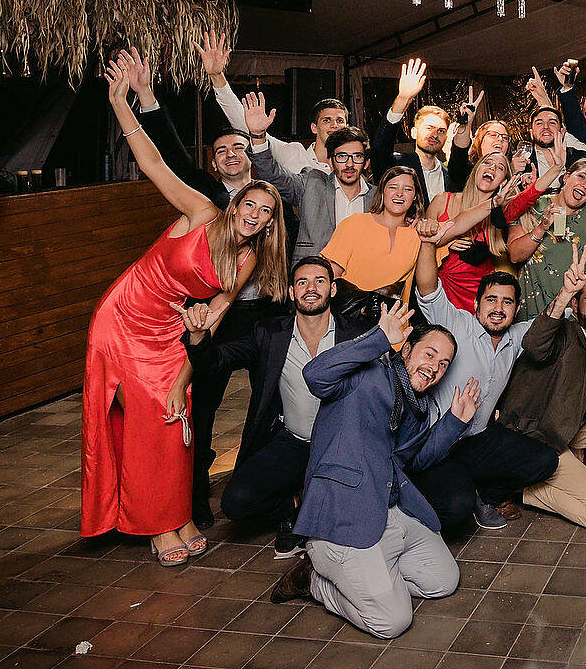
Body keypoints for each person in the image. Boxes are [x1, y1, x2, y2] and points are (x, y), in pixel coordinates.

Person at [83, 52, 286, 567]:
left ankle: (177, 514)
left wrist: (194, 341)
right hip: (126, 314)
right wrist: (119, 102)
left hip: (170, 329)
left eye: (266, 213)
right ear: (235, 205)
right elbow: (152, 161)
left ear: (267, 225)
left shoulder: (246, 259)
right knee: (147, 419)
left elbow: (214, 313)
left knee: (178, 414)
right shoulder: (200, 211)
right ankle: (156, 525)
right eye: (250, 206)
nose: (255, 216)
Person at [269, 303, 479, 640]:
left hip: (391, 512)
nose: (434, 368)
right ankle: (313, 580)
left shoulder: (416, 409)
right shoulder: (364, 373)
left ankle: (370, 576)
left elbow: (414, 460)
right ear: (406, 348)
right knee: (392, 622)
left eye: (443, 365)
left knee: (443, 581)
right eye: (429, 354)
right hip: (343, 518)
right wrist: (380, 337)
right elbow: (314, 374)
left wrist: (454, 422)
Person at [185, 257, 356, 557]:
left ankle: (318, 505)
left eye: (319, 281)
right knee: (235, 502)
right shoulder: (269, 333)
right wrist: (199, 336)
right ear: (291, 292)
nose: (311, 288)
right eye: (302, 282)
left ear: (333, 289)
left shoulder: (354, 333)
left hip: (339, 448)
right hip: (293, 442)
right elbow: (216, 363)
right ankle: (296, 505)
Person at [408, 237, 559, 530]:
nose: (499, 308)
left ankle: (487, 495)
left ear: (516, 309)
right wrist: (428, 243)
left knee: (544, 460)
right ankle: (440, 491)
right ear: (476, 304)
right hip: (438, 444)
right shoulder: (457, 324)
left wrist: (567, 294)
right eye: (491, 299)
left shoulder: (516, 338)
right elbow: (428, 288)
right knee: (454, 510)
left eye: (508, 302)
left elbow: (550, 319)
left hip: (478, 440)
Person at [497, 254, 586, 530]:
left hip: (558, 443)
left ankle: (526, 487)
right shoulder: (563, 331)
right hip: (532, 441)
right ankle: (517, 484)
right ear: (576, 305)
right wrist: (565, 293)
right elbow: (534, 343)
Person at [428, 148, 564, 312]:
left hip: (477, 298)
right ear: (476, 169)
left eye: (500, 168)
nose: (492, 168)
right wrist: (445, 244)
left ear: (503, 183)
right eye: (487, 163)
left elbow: (529, 195)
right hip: (437, 289)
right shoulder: (442, 200)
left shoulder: (501, 213)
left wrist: (556, 168)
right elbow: (419, 245)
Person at [199, 30, 349, 176]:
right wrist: (217, 76)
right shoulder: (293, 154)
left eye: (340, 120)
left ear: (347, 127)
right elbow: (245, 126)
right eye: (327, 120)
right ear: (314, 128)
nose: (334, 125)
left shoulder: (352, 164)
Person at [247, 99, 376, 261]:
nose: (349, 164)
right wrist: (258, 137)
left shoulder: (378, 197)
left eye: (357, 157)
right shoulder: (311, 183)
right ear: (330, 161)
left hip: (361, 279)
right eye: (342, 157)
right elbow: (273, 175)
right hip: (313, 277)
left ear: (366, 163)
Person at [507, 158, 586, 319]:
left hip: (574, 313)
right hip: (534, 309)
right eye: (581, 177)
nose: (585, 185)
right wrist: (541, 228)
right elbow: (515, 256)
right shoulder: (534, 206)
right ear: (566, 177)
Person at [371, 58, 471, 203]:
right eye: (429, 128)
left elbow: (461, 159)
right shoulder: (397, 165)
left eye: (441, 131)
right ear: (413, 132)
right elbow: (379, 149)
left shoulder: (449, 175)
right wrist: (402, 99)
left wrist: (465, 126)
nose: (434, 135)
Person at [321, 166, 424, 302]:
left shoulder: (418, 234)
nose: (399, 193)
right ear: (382, 192)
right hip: (349, 316)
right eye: (393, 187)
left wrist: (430, 223)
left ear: (415, 196)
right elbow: (331, 276)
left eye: (408, 189)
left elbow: (457, 226)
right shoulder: (355, 223)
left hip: (394, 319)